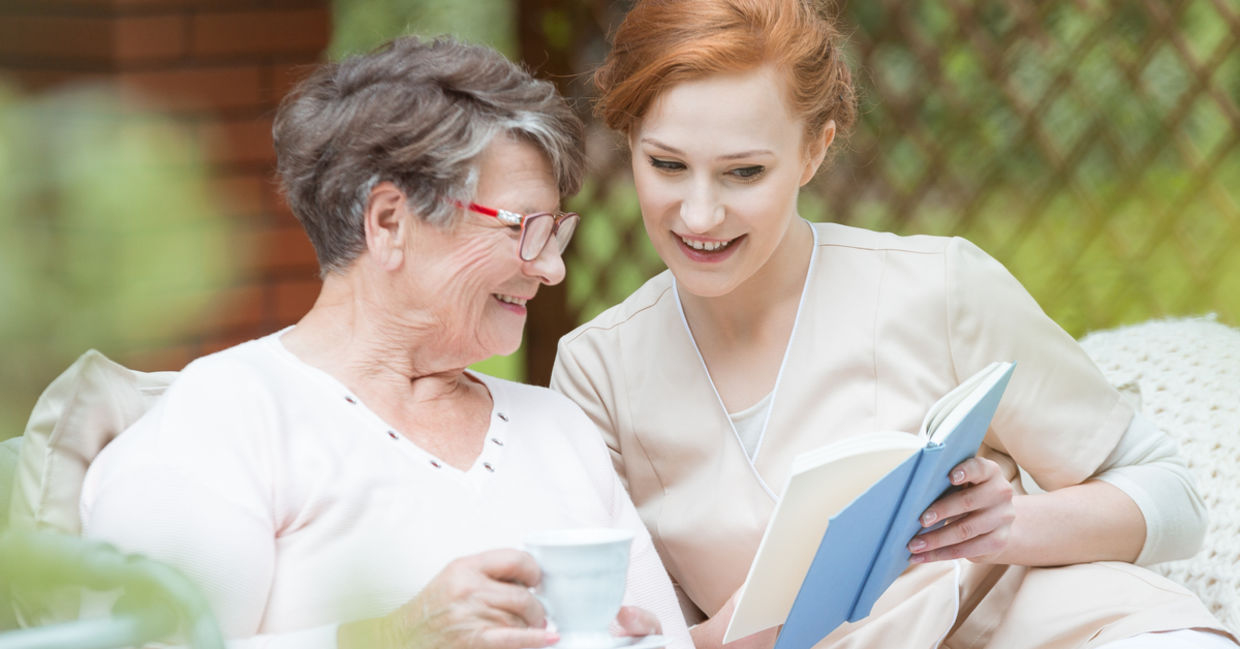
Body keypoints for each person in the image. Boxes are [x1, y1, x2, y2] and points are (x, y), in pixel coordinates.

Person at [550, 1, 1236, 648]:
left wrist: (1009, 524)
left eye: (744, 172)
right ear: (630, 141)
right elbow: (609, 624)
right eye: (666, 164)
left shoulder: (938, 288)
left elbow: (1172, 495)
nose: (699, 215)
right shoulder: (600, 371)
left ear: (813, 153)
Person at [79, 36, 692, 649]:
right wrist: (394, 637)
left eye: (553, 231)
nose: (551, 269)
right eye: (524, 227)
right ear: (390, 223)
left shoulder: (557, 429)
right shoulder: (227, 417)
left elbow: (665, 639)